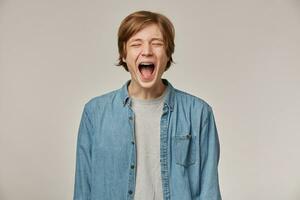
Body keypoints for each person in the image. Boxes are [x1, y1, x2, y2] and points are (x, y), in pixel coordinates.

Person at [73, 10, 222, 200]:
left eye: (157, 43)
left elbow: (209, 192)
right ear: (124, 54)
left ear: (168, 54)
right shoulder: (94, 113)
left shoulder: (199, 113)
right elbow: (83, 190)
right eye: (136, 44)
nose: (147, 51)